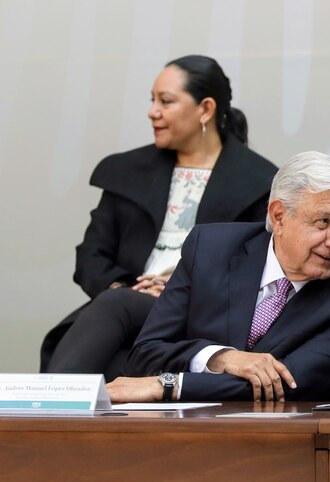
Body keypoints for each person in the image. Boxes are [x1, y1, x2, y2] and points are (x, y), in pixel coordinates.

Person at [41, 55, 279, 380]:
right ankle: (48, 422)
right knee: (113, 356)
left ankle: (46, 414)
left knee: (114, 312)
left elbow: (257, 271)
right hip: (126, 306)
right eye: (152, 101)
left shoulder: (257, 182)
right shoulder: (127, 172)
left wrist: (177, 288)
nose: (153, 111)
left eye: (165, 101)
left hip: (195, 313)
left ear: (205, 109)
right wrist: (126, 286)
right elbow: (91, 257)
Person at [107, 151, 330, 403]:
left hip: (284, 449)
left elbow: (286, 385)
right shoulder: (210, 249)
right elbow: (146, 355)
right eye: (323, 222)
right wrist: (220, 357)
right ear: (279, 216)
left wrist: (168, 386)